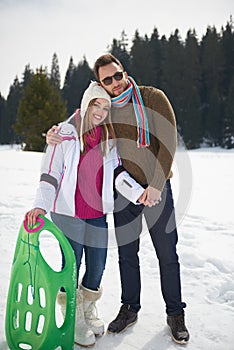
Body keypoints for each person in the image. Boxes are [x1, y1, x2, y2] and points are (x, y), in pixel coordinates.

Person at [46, 54, 190, 345]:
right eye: (106, 80)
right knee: (127, 255)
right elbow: (84, 117)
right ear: (101, 84)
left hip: (157, 189)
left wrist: (156, 185)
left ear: (125, 72)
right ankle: (130, 307)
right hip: (123, 191)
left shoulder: (151, 98)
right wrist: (54, 133)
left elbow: (169, 140)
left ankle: (175, 313)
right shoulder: (107, 106)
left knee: (167, 254)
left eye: (117, 75)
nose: (114, 83)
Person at [26, 81, 145, 347]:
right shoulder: (64, 133)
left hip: (97, 212)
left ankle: (87, 307)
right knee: (72, 265)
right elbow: (50, 174)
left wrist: (139, 193)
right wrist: (40, 206)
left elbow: (116, 175)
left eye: (106, 107)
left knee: (97, 266)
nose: (101, 112)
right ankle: (72, 315)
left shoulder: (107, 139)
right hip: (68, 212)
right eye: (97, 105)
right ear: (86, 103)